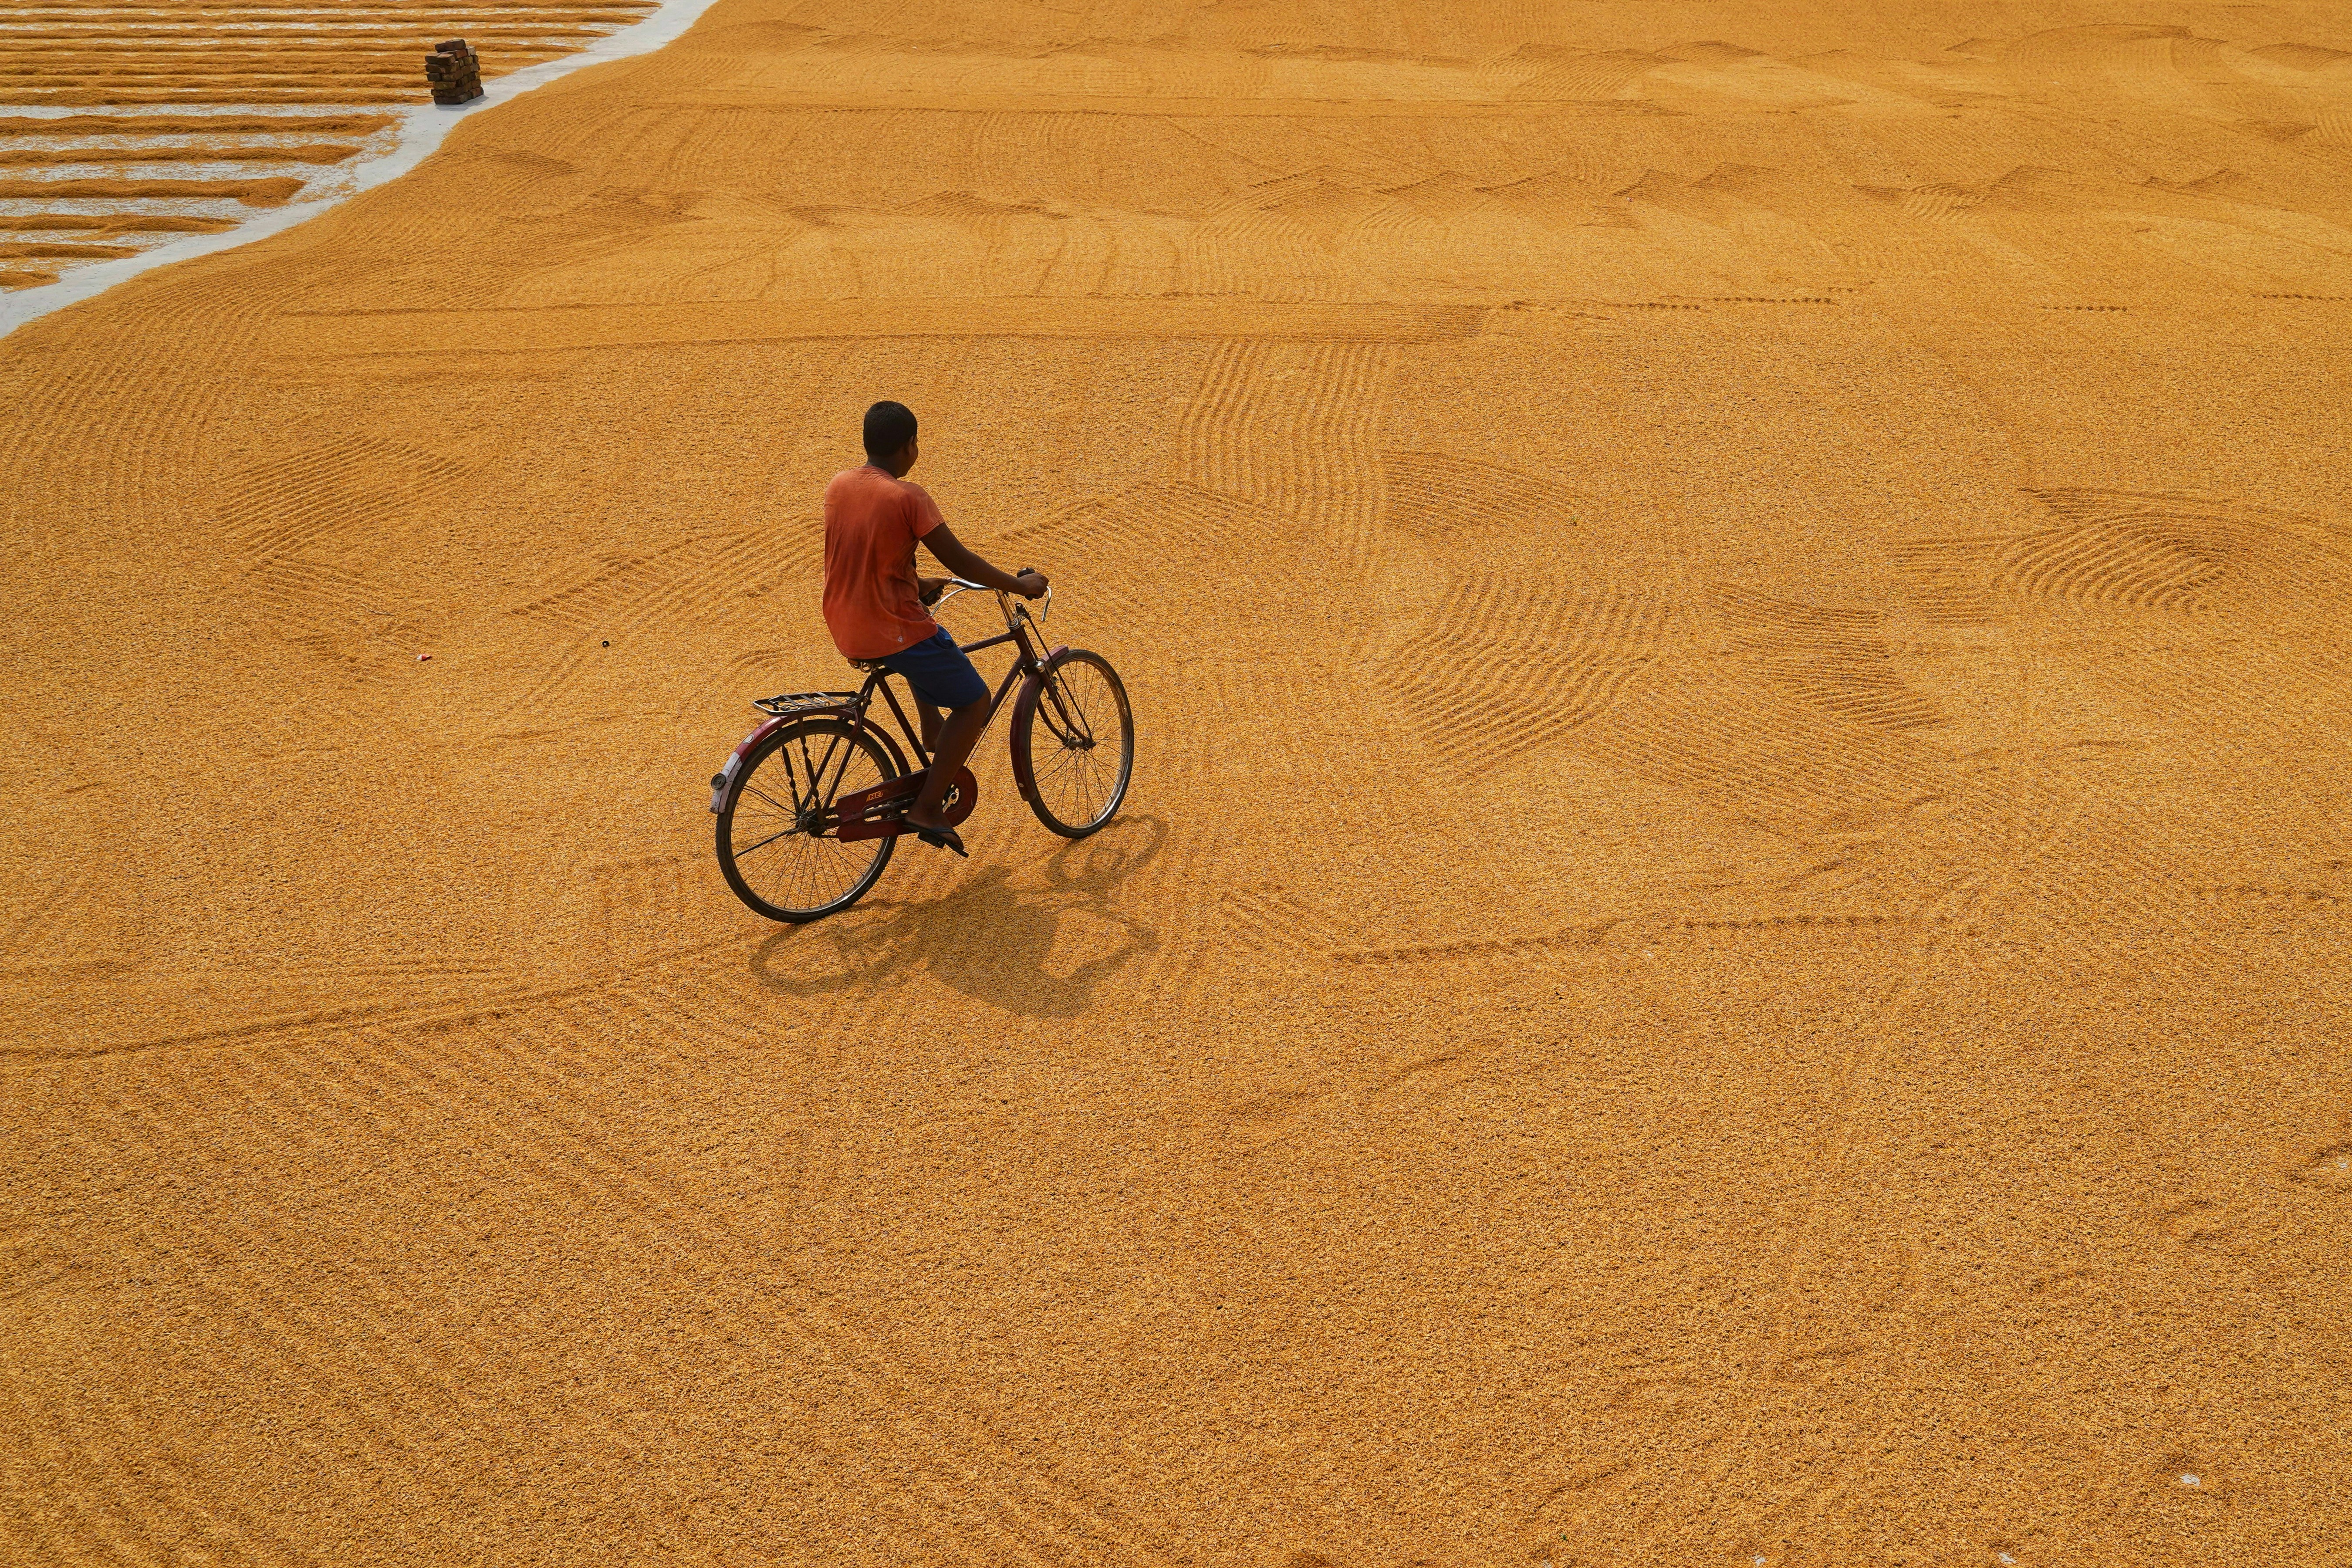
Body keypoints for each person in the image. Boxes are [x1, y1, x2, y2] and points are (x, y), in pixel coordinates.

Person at [821, 400, 1046, 858]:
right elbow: (960, 560)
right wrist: (1019, 585)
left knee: (928, 633)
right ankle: (926, 808)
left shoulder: (840, 485)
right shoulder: (909, 497)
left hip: (846, 621)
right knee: (974, 700)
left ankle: (929, 730)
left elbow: (868, 552)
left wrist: (917, 583)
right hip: (889, 626)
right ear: (909, 448)